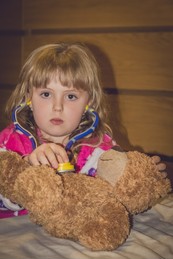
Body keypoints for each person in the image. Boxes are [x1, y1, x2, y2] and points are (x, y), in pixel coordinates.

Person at [0, 42, 167, 218]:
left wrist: (142, 180)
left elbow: (115, 198)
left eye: (71, 96)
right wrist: (25, 170)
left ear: (89, 103)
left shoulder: (100, 149)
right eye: (46, 94)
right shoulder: (9, 143)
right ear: (28, 98)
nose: (58, 107)